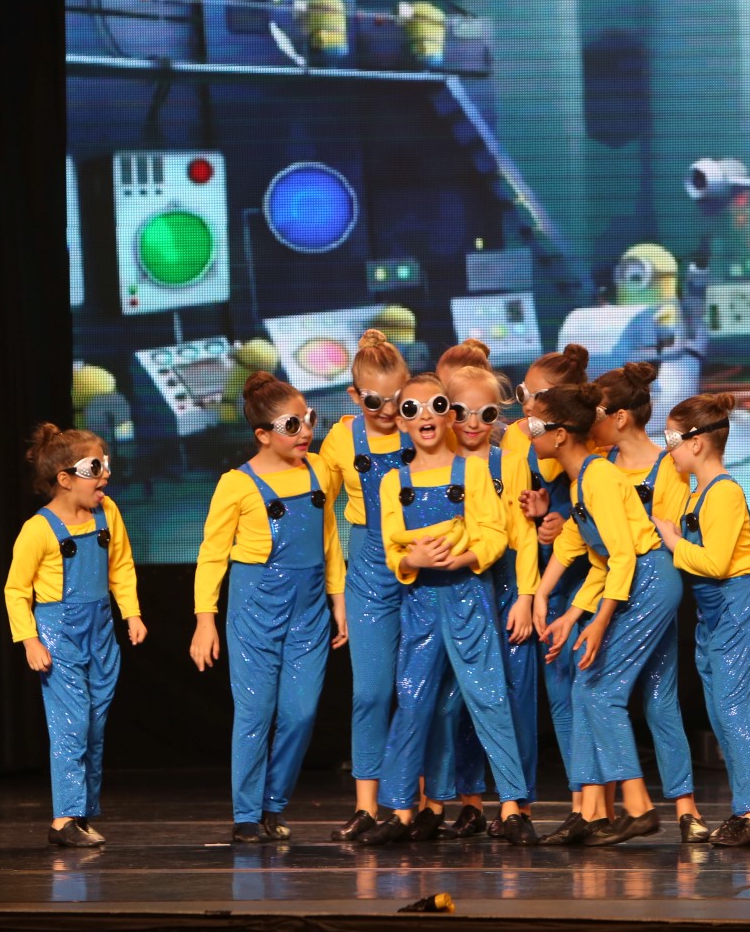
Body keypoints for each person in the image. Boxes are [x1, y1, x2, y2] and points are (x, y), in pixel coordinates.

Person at [356, 375, 538, 846]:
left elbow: (494, 532)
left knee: (489, 698)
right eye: (411, 409)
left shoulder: (472, 472)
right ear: (401, 421)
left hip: (468, 596)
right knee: (415, 700)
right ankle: (401, 810)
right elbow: (391, 545)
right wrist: (411, 560)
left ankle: (512, 807)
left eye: (435, 405)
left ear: (447, 415)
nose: (425, 416)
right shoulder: (393, 482)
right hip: (420, 602)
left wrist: (464, 558)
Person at [532, 383, 694, 847]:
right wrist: (555, 604)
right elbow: (582, 548)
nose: (528, 431)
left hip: (649, 579)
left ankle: (639, 807)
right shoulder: (581, 479)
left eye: (536, 424)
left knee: (601, 692)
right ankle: (591, 814)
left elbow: (622, 556)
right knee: (586, 688)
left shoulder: (599, 477)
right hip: (632, 579)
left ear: (560, 434)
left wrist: (599, 620)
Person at [190, 372, 349, 843]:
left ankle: (273, 804)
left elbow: (328, 536)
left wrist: (338, 600)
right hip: (255, 607)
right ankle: (246, 814)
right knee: (255, 714)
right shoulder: (236, 485)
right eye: (292, 425)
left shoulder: (319, 471)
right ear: (262, 434)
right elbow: (212, 554)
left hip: (309, 608)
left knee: (300, 714)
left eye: (308, 419)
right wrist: (204, 621)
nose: (305, 432)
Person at [5, 424, 147, 848]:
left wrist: (131, 613)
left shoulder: (108, 513)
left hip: (99, 630)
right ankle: (63, 819)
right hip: (58, 634)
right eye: (95, 468)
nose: (106, 476)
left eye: (106, 466)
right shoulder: (38, 529)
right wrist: (30, 640)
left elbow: (120, 566)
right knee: (73, 723)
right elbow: (16, 590)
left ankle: (81, 814)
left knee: (94, 726)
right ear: (65, 479)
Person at [588, 362, 712, 843]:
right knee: (610, 690)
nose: (591, 421)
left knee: (657, 698)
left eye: (597, 412)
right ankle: (614, 806)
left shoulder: (667, 467)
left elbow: (671, 532)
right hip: (608, 585)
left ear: (619, 417)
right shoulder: (599, 465)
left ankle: (682, 808)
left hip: (650, 585)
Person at [650, 392, 750, 847]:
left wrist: (672, 540)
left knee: (735, 709)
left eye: (671, 439)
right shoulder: (695, 493)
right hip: (714, 609)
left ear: (697, 442)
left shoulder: (724, 492)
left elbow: (718, 562)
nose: (667, 448)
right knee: (722, 712)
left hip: (740, 600)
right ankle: (749, 807)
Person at [431, 364, 540, 840]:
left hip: (507, 586)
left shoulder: (508, 462)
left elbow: (524, 535)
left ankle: (516, 804)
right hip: (458, 589)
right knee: (454, 702)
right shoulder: (436, 465)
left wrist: (527, 598)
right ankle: (469, 800)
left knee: (514, 698)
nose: (473, 423)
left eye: (486, 413)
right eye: (461, 412)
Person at [498, 345, 600, 839]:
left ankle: (597, 804)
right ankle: (580, 803)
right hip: (540, 579)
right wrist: (540, 520)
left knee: (589, 693)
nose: (525, 405)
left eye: (535, 397)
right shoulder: (517, 438)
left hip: (583, 581)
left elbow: (599, 518)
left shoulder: (592, 450)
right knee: (559, 696)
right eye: (522, 392)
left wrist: (561, 519)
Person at [315, 329, 412, 840]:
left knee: (419, 692)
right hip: (370, 571)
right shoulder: (341, 439)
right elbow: (320, 512)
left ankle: (418, 805)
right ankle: (367, 806)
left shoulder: (423, 427)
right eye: (376, 401)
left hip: (424, 569)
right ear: (355, 396)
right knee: (371, 692)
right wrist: (337, 591)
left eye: (398, 399)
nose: (389, 411)